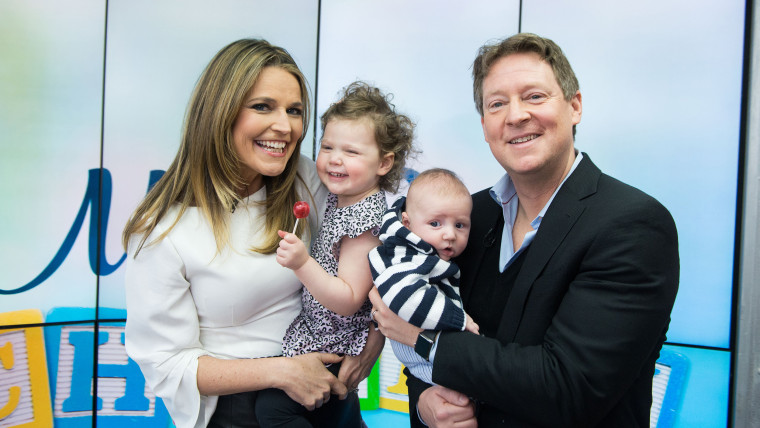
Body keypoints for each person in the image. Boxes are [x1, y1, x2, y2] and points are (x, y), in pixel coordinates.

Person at [368, 33, 680, 427]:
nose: (515, 116)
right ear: (485, 126)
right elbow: (424, 367)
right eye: (498, 104)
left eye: (534, 96)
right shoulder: (467, 217)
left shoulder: (633, 225)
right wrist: (425, 402)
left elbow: (569, 387)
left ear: (575, 106)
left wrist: (423, 340)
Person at [122, 39, 383, 428]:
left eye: (294, 111)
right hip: (241, 412)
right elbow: (166, 363)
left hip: (328, 395)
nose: (285, 126)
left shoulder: (309, 179)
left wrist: (374, 341)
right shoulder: (162, 230)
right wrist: (281, 371)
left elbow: (380, 251)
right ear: (219, 112)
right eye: (263, 106)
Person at [254, 81, 416, 427]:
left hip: (334, 344)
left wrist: (302, 263)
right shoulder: (342, 198)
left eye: (352, 152)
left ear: (385, 162)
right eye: (327, 147)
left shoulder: (364, 222)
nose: (334, 159)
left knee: (272, 409)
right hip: (321, 336)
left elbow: (347, 299)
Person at [368, 168, 479, 386]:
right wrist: (459, 319)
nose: (450, 235)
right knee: (467, 388)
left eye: (460, 225)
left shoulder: (425, 252)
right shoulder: (406, 256)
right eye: (435, 224)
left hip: (428, 352)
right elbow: (406, 298)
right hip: (419, 357)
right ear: (407, 223)